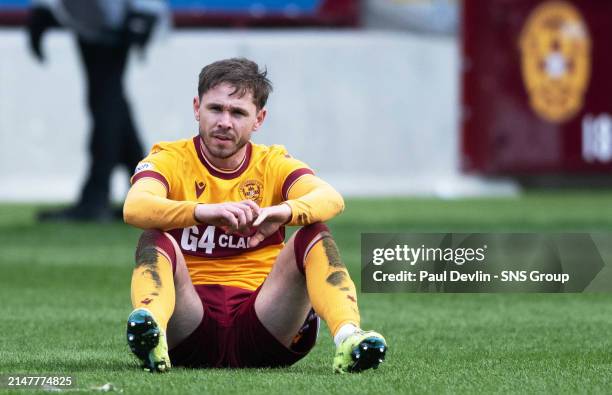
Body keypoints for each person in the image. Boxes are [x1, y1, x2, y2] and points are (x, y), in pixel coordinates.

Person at [123, 58, 387, 373]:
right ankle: (152, 334)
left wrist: (282, 212)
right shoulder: (168, 158)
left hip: (264, 321)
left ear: (258, 119)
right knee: (154, 237)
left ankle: (349, 337)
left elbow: (331, 199)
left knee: (314, 233)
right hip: (188, 323)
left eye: (238, 113)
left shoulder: (272, 163)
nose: (224, 122)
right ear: (197, 108)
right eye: (215, 109)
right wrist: (204, 212)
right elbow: (134, 207)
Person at [27, 0, 169, 222]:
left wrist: (144, 10)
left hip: (111, 17)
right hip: (92, 16)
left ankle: (99, 195)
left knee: (106, 103)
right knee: (108, 102)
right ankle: (145, 191)